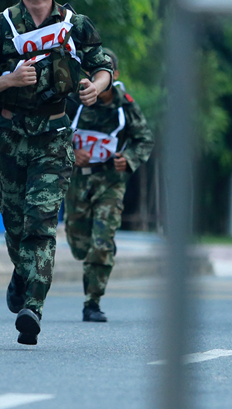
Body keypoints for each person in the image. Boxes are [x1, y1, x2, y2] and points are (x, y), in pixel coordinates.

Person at [0, 0, 113, 346]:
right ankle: (23, 272)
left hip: (53, 135)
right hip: (9, 138)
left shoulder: (75, 25)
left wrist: (94, 88)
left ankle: (33, 306)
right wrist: (9, 81)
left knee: (41, 223)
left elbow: (103, 65)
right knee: (15, 225)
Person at [64, 48, 154, 322]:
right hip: (78, 180)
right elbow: (50, 132)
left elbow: (144, 139)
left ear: (114, 75)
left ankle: (92, 302)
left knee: (101, 242)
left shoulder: (125, 106)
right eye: (92, 72)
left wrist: (129, 159)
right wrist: (71, 151)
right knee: (80, 246)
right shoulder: (73, 101)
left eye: (104, 72)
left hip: (110, 182)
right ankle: (97, 252)